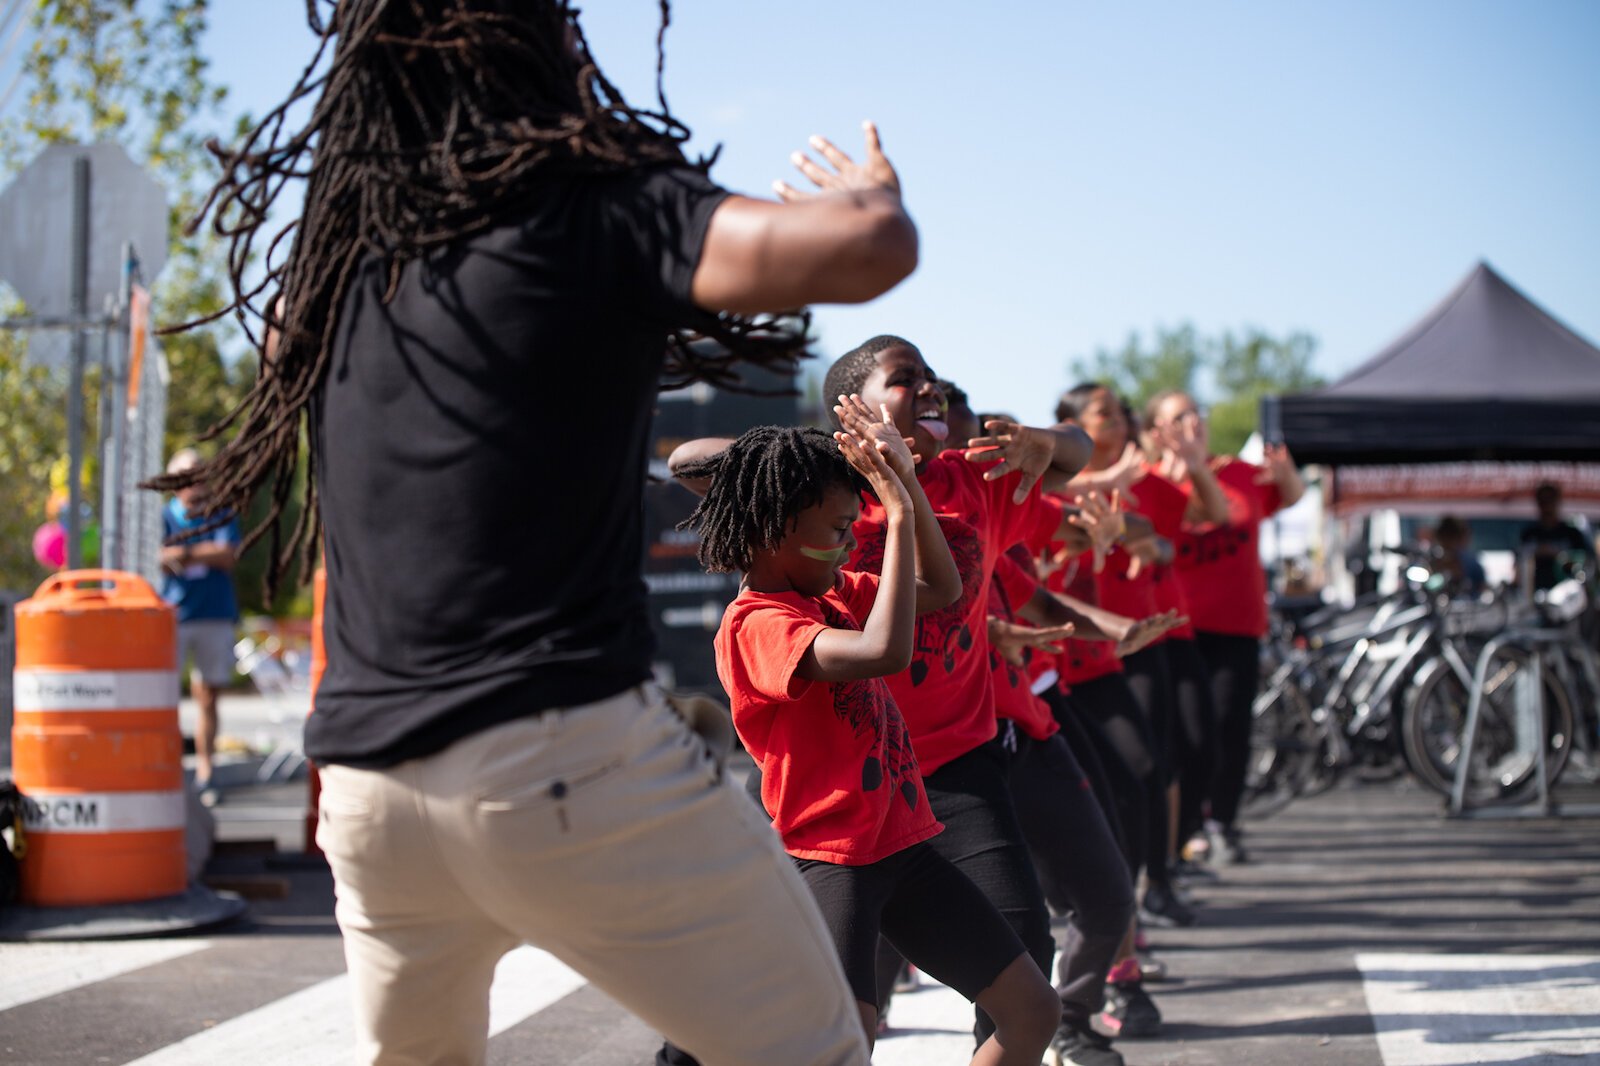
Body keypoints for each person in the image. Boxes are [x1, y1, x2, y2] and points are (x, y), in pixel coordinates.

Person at [153, 4, 923, 1063]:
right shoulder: (589, 204)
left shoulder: (338, 265)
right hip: (561, 753)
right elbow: (871, 249)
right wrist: (868, 195)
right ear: (537, 45)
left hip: (371, 796)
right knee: (813, 1048)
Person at [679, 420, 1058, 1064]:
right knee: (844, 1046)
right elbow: (884, 650)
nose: (849, 539)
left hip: (901, 845)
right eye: (835, 529)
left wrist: (904, 483)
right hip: (829, 860)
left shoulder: (835, 595)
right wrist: (904, 514)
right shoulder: (759, 624)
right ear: (774, 532)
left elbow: (943, 591)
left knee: (1032, 1012)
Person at [1146, 390, 1303, 868]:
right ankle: (1183, 831)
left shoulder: (1238, 472)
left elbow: (1285, 498)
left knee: (1230, 729)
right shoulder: (1149, 483)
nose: (1193, 422)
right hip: (1177, 629)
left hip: (1237, 623)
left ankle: (1222, 822)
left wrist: (1289, 475)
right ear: (1158, 433)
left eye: (1197, 413)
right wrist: (1188, 467)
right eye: (1179, 417)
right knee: (1186, 737)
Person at [159, 448, 241, 803]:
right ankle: (168, 772)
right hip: (175, 615)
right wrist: (201, 552)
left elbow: (228, 555)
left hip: (215, 613)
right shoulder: (163, 517)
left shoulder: (222, 512)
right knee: (164, 697)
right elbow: (159, 558)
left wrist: (186, 554)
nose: (196, 480)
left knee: (208, 696)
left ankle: (207, 772)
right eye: (187, 474)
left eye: (200, 472)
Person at [1520, 482, 1592, 593]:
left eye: (1550, 500)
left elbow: (1585, 562)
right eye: (1543, 501)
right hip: (1537, 593)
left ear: (1557, 502)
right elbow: (1520, 561)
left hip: (1568, 594)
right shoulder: (1529, 534)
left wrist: (1558, 555)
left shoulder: (1572, 533)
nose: (1547, 506)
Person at [1434, 515, 1486, 596]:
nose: (1447, 543)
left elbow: (1482, 591)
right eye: (1444, 537)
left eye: (1450, 537)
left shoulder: (1472, 564)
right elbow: (1430, 586)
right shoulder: (1432, 561)